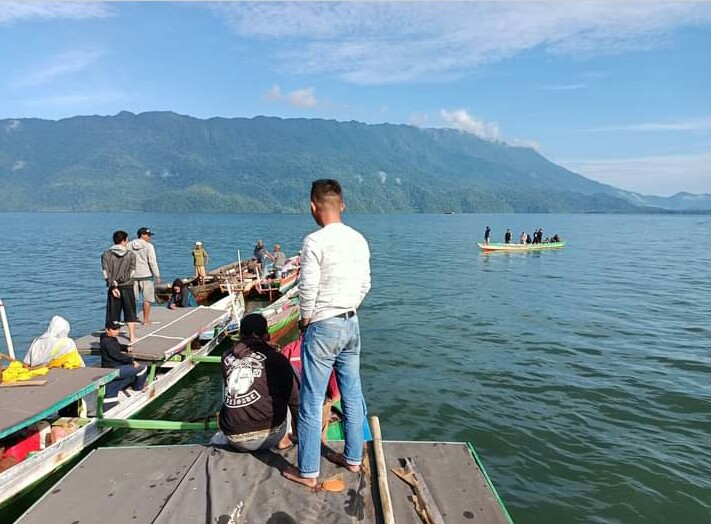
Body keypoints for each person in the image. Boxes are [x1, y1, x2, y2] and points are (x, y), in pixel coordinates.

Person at [283, 179, 371, 488]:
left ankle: (308, 472)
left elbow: (307, 287)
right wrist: (349, 306)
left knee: (312, 399)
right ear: (342, 205)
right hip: (351, 322)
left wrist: (305, 319)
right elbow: (366, 284)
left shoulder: (314, 241)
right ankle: (353, 458)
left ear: (312, 207)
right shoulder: (359, 239)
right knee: (352, 393)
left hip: (323, 325)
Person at [219, 313, 299, 452]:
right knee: (287, 384)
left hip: (233, 437)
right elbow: (295, 401)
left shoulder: (226, 356)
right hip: (270, 436)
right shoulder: (276, 358)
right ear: (266, 335)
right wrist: (299, 433)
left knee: (228, 380)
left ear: (240, 335)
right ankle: (284, 440)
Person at [282, 335, 341, 443]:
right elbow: (334, 391)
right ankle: (322, 438)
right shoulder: (325, 350)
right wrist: (333, 397)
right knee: (328, 400)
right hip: (317, 400)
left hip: (294, 401)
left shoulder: (289, 349)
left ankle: (296, 435)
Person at [102, 230, 137, 344]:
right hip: (127, 286)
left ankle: (111, 336)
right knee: (130, 311)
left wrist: (113, 285)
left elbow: (106, 273)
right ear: (125, 240)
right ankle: (132, 336)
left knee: (113, 313)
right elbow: (131, 272)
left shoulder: (106, 254)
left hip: (113, 288)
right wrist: (120, 281)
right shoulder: (131, 254)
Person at [99, 321, 147, 399]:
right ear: (107, 330)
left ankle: (121, 385)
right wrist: (131, 361)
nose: (117, 331)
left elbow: (117, 346)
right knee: (143, 368)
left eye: (118, 329)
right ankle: (138, 388)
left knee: (130, 372)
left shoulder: (108, 337)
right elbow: (117, 356)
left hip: (109, 366)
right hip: (114, 368)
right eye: (114, 329)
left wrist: (126, 347)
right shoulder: (107, 342)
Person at [130, 227, 161, 325]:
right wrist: (157, 275)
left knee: (132, 299)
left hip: (132, 276)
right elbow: (152, 262)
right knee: (147, 299)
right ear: (142, 235)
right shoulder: (149, 246)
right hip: (146, 275)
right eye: (148, 235)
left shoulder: (129, 245)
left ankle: (132, 318)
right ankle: (145, 320)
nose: (149, 237)